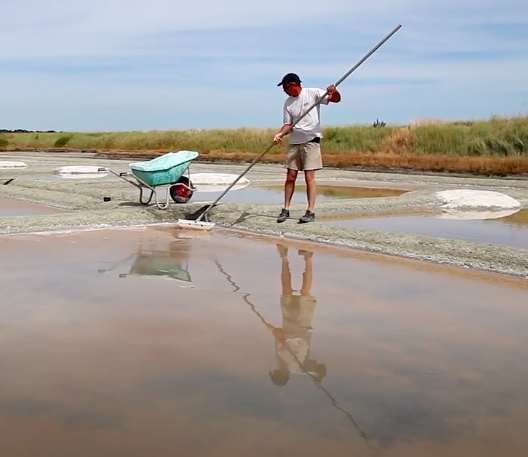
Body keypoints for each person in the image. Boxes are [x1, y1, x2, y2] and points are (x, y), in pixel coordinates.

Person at [273, 73, 341, 223]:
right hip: (295, 142)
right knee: (290, 176)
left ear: (293, 85)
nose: (284, 91)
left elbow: (335, 99)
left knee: (309, 177)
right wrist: (280, 134)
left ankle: (310, 211)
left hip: (311, 140)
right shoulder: (288, 103)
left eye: (285, 88)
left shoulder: (312, 93)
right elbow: (288, 124)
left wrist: (333, 91)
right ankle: (286, 209)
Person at [267, 244, 327, 387]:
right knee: (305, 292)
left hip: (287, 322)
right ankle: (308, 258)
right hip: (302, 325)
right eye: (277, 373)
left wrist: (273, 331)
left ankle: (284, 256)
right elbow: (320, 367)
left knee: (286, 291)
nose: (276, 369)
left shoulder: (279, 359)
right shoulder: (298, 369)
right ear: (282, 375)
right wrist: (319, 378)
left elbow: (279, 338)